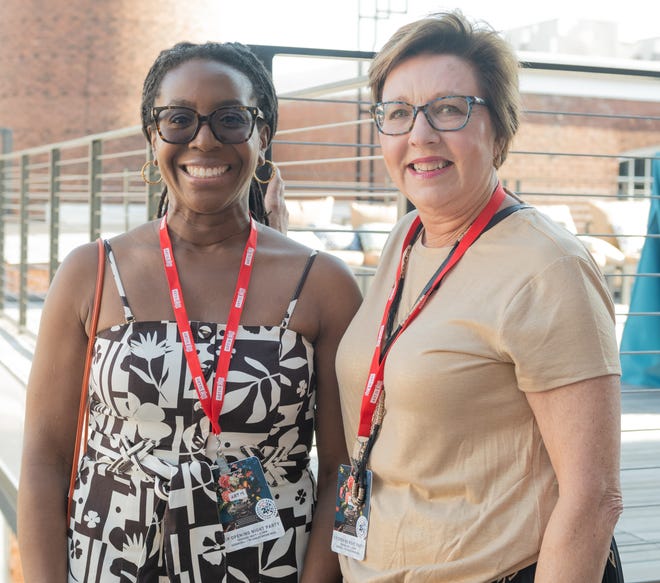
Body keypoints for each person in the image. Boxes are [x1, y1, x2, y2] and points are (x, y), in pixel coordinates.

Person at [17, 41, 361, 582]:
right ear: (153, 137)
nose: (204, 139)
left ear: (262, 135)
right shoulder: (92, 272)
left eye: (230, 119)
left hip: (271, 569)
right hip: (110, 566)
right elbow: (44, 460)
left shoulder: (323, 285)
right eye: (179, 119)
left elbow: (345, 472)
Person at [334, 11, 623, 583]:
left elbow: (594, 498)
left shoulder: (548, 267)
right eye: (398, 113)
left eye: (448, 108)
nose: (419, 134)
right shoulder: (407, 236)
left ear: (499, 129)